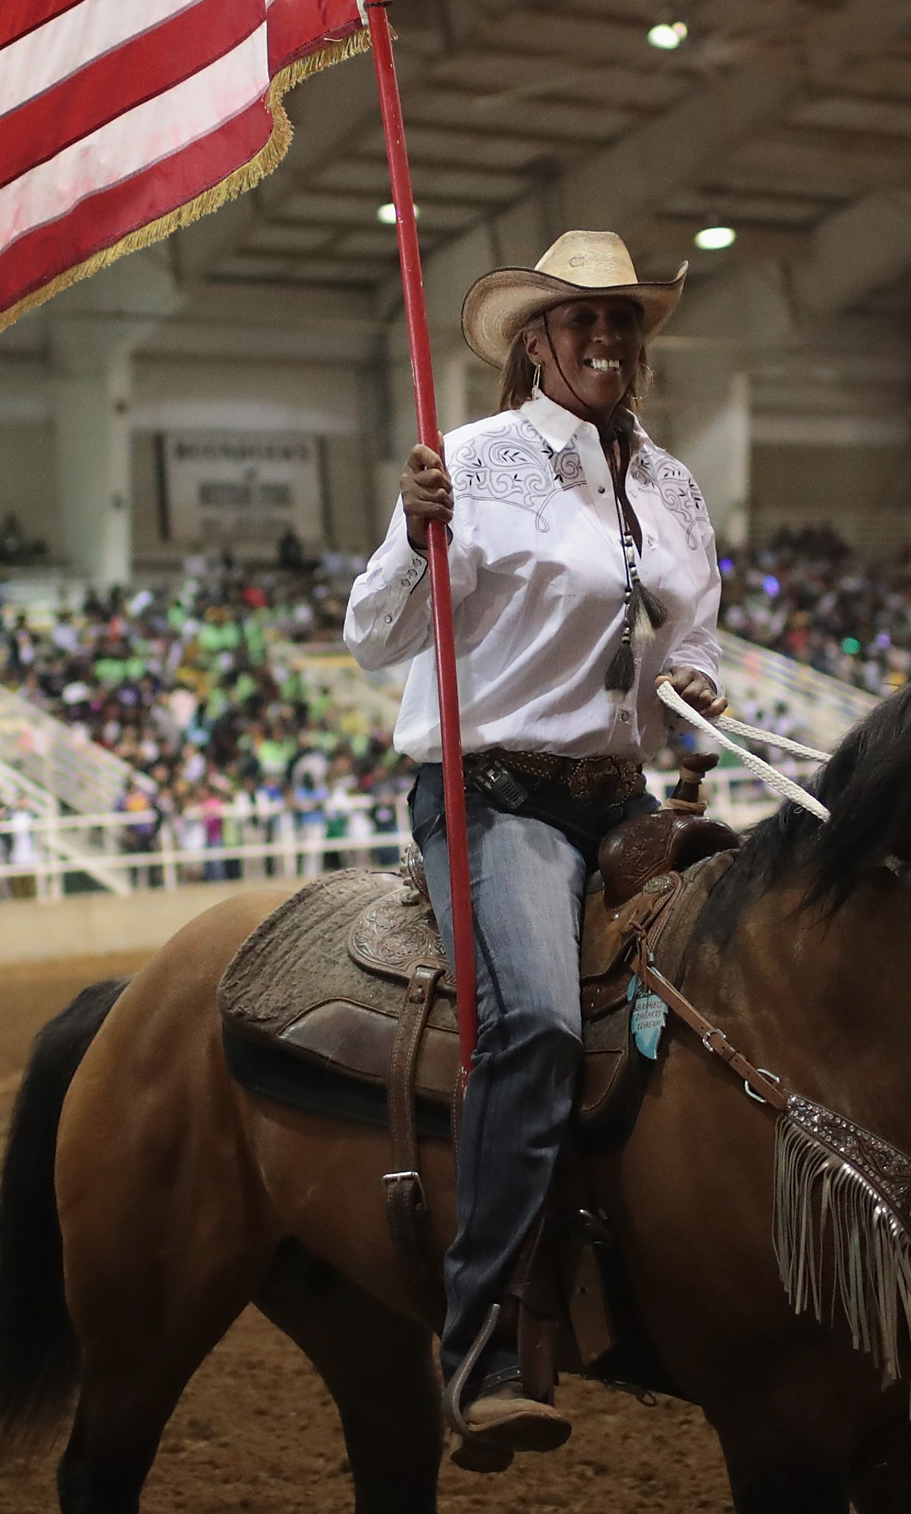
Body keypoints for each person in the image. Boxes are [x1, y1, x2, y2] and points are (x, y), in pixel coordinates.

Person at [345, 230, 724, 1455]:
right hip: (494, 794)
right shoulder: (471, 463)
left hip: (619, 795)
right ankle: (484, 1337)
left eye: (621, 323)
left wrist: (700, 688)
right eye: (580, 323)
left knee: (756, 970)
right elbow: (373, 636)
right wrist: (412, 531)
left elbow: (685, 647)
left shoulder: (672, 485)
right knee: (540, 1024)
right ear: (535, 344)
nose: (605, 341)